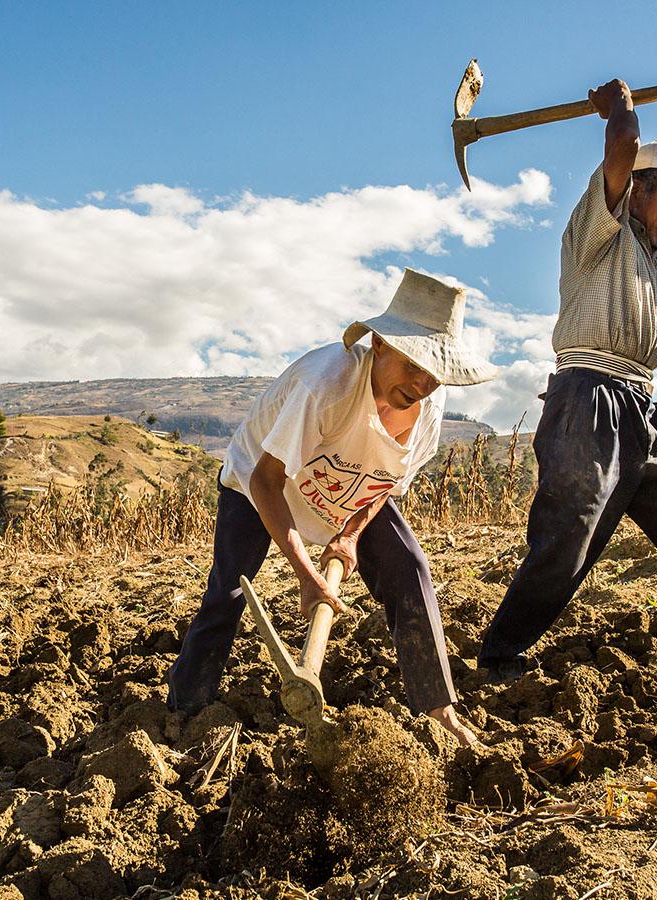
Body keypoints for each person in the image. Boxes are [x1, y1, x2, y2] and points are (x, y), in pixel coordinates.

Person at [478, 62, 657, 679]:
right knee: (570, 535)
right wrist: (619, 110)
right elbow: (626, 146)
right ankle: (500, 655)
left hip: (644, 406)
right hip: (587, 397)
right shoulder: (597, 234)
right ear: (637, 188)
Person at [169, 269, 496, 745]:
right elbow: (266, 480)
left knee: (410, 567)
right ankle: (185, 711)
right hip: (261, 483)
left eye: (434, 373)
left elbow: (388, 481)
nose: (423, 383)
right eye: (412, 365)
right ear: (380, 345)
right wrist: (306, 573)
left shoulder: (429, 405)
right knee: (228, 592)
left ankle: (439, 710)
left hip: (349, 489)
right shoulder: (325, 385)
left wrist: (348, 535)